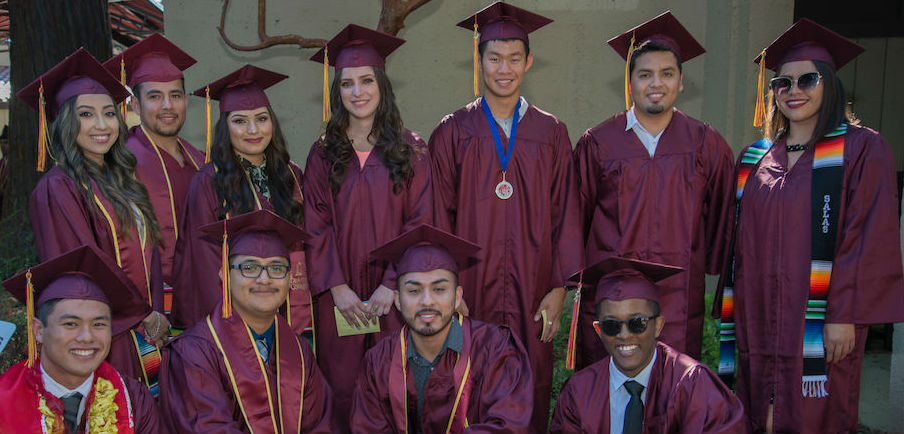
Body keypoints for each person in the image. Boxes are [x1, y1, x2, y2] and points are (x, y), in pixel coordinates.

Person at [715, 19, 904, 433]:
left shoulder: (863, 148)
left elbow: (867, 237)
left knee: (814, 417)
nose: (793, 90)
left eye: (807, 79)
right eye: (782, 82)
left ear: (830, 84)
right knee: (759, 413)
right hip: (758, 317)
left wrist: (845, 315)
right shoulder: (754, 158)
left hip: (821, 321)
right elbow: (737, 245)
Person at [428, 3, 582, 429]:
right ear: (479, 62)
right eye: (494, 58)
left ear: (529, 62)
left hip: (533, 285)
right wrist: (446, 287)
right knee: (466, 378)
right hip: (470, 285)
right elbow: (437, 216)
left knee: (529, 377)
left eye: (514, 58)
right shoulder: (453, 131)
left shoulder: (551, 132)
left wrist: (559, 288)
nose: (504, 69)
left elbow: (565, 213)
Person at [571, 11, 735, 369]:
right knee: (607, 387)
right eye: (645, 74)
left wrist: (712, 267)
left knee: (672, 384)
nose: (656, 83)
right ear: (629, 82)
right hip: (613, 296)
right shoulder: (598, 143)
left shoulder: (705, 144)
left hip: (678, 298)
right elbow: (573, 221)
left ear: (681, 82)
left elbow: (724, 217)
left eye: (667, 73)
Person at [19, 48, 169, 391]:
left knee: (146, 405)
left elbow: (150, 254)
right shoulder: (57, 188)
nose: (102, 125)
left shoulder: (124, 181)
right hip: (104, 334)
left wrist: (156, 313)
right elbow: (83, 267)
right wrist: (142, 313)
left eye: (109, 113)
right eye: (86, 115)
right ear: (65, 124)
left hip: (143, 332)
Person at [305, 24, 433, 427]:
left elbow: (420, 222)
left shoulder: (411, 150)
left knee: (395, 383)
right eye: (347, 83)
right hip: (338, 297)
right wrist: (337, 287)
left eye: (366, 81)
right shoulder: (323, 154)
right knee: (340, 384)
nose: (357, 92)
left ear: (382, 85)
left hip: (394, 295)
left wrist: (391, 283)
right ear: (337, 91)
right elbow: (315, 223)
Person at [160, 210, 333, 433]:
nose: (264, 279)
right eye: (249, 267)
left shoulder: (300, 351)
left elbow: (321, 425)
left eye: (277, 268)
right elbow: (207, 427)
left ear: (290, 279)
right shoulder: (194, 352)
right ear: (224, 275)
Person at [350, 224, 534, 434]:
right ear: (398, 300)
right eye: (413, 290)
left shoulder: (495, 349)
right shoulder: (377, 362)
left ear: (457, 297)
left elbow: (507, 426)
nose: (427, 301)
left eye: (439, 289)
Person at [170, 65, 310, 334]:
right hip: (236, 315)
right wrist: (229, 325)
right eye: (240, 121)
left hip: (290, 307)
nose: (253, 129)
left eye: (261, 118)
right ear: (225, 127)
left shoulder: (292, 174)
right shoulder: (209, 180)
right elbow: (204, 261)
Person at [550, 257, 746, 434]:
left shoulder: (691, 384)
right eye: (611, 325)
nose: (624, 335)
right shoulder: (579, 392)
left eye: (637, 323)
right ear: (599, 330)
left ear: (658, 326)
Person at [0, 245, 161, 434]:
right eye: (71, 324)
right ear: (38, 330)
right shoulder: (4, 402)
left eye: (98, 324)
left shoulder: (135, 399)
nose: (87, 337)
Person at [103, 33, 205, 309]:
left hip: (204, 294)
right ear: (135, 104)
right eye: (155, 97)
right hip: (151, 302)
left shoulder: (200, 159)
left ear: (186, 100)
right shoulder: (121, 162)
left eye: (175, 95)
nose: (168, 106)